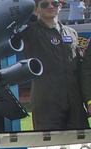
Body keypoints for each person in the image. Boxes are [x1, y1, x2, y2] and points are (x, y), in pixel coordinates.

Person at [22, 0, 91, 131]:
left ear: (60, 6)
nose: (50, 6)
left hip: (74, 100)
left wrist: (88, 100)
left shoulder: (71, 33)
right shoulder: (30, 32)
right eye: (44, 4)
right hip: (47, 100)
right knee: (48, 142)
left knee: (80, 139)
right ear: (36, 9)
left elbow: (82, 69)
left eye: (54, 3)